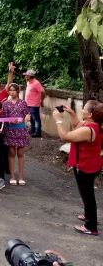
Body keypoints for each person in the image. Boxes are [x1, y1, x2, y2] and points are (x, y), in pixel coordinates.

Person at [53, 100, 103, 236]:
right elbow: (76, 125)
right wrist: (72, 113)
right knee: (87, 194)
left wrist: (58, 120)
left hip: (86, 166)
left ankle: (91, 226)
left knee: (88, 196)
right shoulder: (94, 124)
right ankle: (89, 216)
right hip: (93, 164)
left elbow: (65, 136)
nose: (82, 110)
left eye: (84, 109)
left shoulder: (88, 129)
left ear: (90, 114)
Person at [1, 84, 30, 186]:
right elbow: (3, 117)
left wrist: (27, 117)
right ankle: (12, 176)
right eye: (10, 90)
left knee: (21, 153)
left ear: (18, 91)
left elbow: (27, 113)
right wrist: (10, 122)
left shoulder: (23, 103)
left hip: (21, 130)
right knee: (12, 153)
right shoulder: (5, 104)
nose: (12, 92)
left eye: (14, 90)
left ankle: (21, 176)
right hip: (10, 130)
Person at [24, 69, 45, 138]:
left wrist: (41, 100)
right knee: (31, 118)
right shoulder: (28, 82)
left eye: (26, 75)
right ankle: (32, 130)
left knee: (36, 119)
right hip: (28, 103)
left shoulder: (36, 83)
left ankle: (38, 132)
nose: (25, 77)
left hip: (34, 104)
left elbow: (42, 92)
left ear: (30, 76)